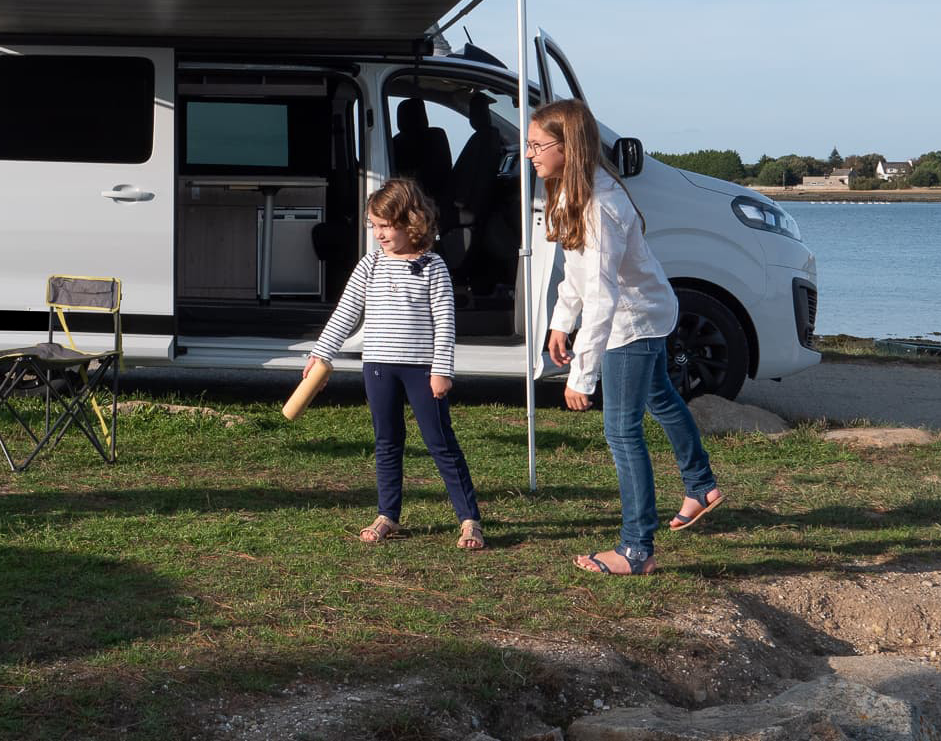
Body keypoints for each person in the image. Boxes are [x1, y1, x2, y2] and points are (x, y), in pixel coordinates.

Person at [528, 99, 724, 576]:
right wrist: (559, 321)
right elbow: (575, 274)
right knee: (658, 395)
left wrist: (582, 375)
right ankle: (700, 485)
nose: (528, 153)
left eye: (536, 145)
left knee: (621, 431)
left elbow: (603, 298)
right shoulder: (566, 192)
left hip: (630, 323)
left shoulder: (599, 206)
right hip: (644, 311)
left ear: (566, 147)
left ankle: (637, 549)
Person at [305, 178, 485, 550]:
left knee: (440, 443)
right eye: (374, 226)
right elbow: (346, 313)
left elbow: (445, 321)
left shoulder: (433, 266)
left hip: (421, 370)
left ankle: (469, 520)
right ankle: (388, 514)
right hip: (378, 368)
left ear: (411, 222)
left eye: (385, 226)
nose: (379, 234)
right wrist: (322, 354)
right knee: (387, 442)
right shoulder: (369, 264)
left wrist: (441, 370)